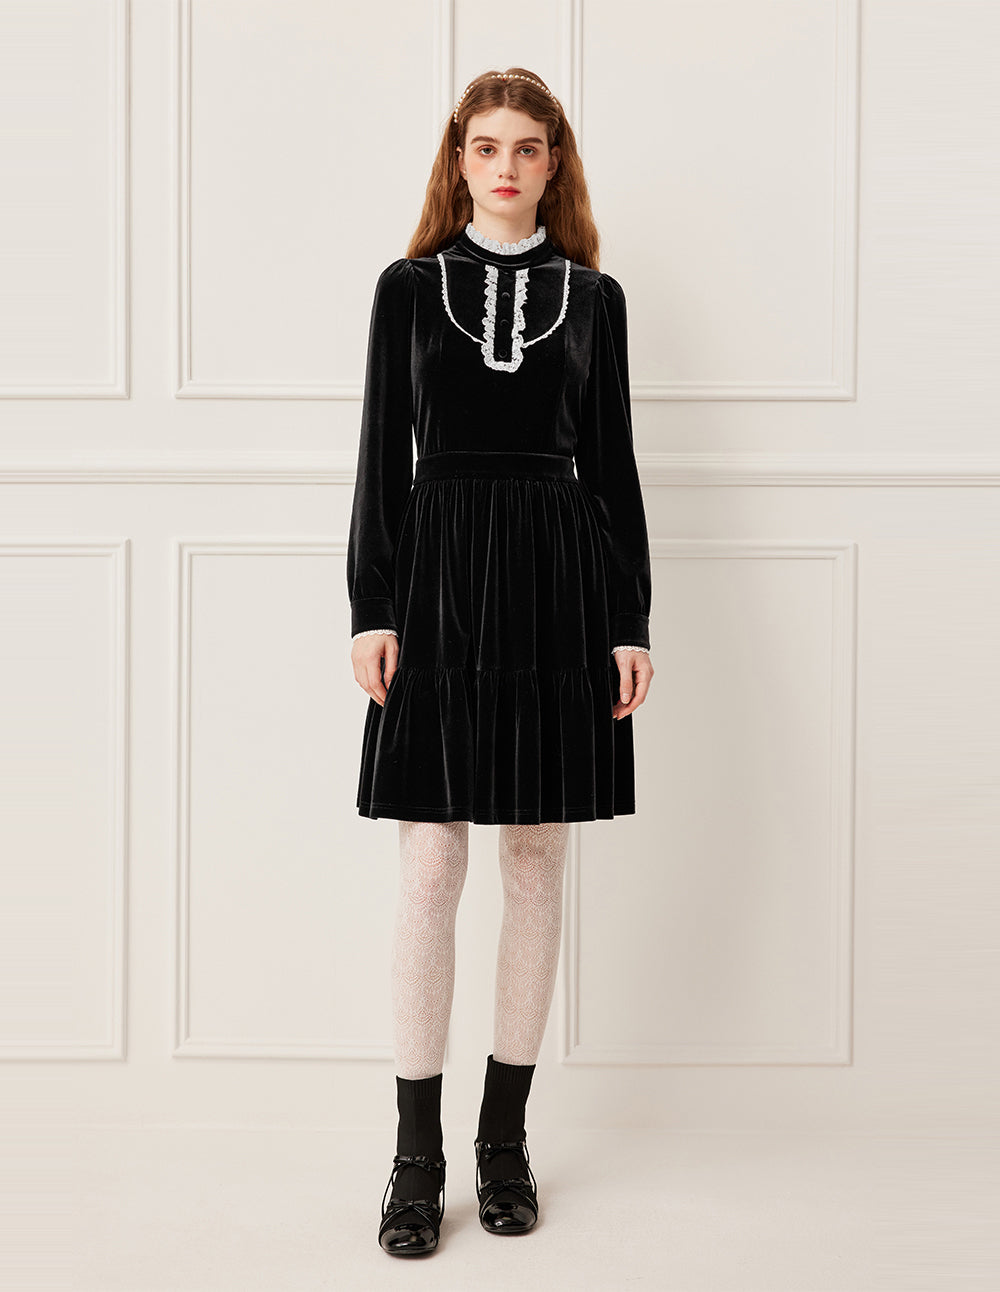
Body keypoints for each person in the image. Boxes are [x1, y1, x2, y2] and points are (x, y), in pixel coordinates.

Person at [347, 67, 654, 1257]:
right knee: (431, 863)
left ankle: (503, 1140)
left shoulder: (593, 298)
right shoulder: (408, 288)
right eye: (487, 147)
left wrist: (627, 618)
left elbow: (613, 464)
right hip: (435, 582)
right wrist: (372, 604)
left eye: (528, 147)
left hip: (555, 585)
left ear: (553, 162)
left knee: (534, 858)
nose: (507, 167)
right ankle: (414, 1155)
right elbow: (380, 451)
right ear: (460, 160)